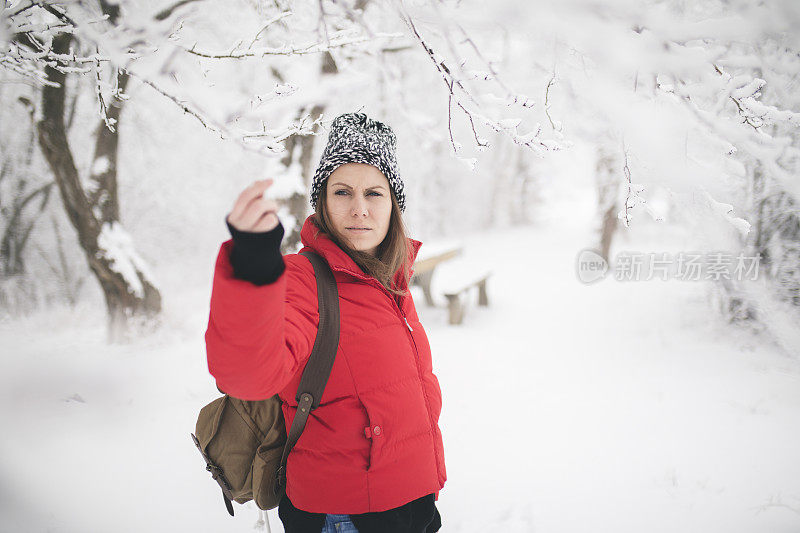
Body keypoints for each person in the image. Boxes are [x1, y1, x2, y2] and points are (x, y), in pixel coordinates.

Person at [205, 112, 447, 533]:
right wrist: (252, 266)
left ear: (394, 205)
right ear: (322, 201)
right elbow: (250, 375)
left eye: (374, 193)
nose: (359, 209)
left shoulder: (390, 280)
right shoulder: (303, 279)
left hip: (413, 504)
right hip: (347, 517)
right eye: (342, 192)